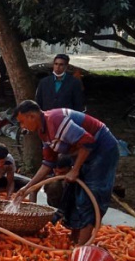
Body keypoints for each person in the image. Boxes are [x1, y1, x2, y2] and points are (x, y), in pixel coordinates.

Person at [12, 101, 119, 245]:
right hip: (84, 153)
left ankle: (82, 247)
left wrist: (75, 170)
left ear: (31, 116)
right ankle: (74, 239)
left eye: (22, 122)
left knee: (91, 196)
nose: (22, 127)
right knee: (75, 193)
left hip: (102, 150)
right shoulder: (43, 132)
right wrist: (27, 188)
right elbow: (48, 163)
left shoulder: (55, 120)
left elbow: (88, 142)